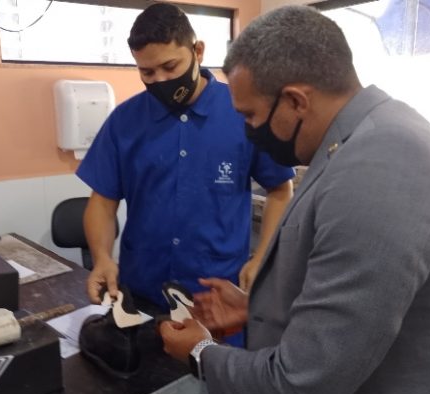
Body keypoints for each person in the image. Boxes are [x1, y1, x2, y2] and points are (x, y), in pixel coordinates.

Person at [159, 5, 430, 394]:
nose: (248, 130)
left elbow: (300, 389)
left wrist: (200, 353)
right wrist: (259, 310)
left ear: (295, 101)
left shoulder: (381, 168)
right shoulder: (365, 139)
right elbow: (361, 313)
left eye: (250, 115)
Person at [77, 3, 294, 311]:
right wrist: (101, 258)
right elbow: (102, 201)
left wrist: (261, 258)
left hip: (218, 296)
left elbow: (281, 191)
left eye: (170, 67)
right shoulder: (124, 122)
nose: (160, 80)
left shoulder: (242, 111)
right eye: (147, 72)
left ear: (198, 51)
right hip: (142, 292)